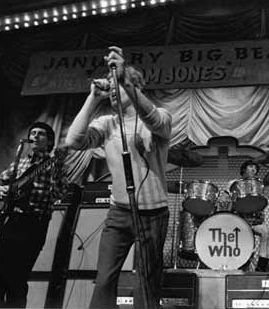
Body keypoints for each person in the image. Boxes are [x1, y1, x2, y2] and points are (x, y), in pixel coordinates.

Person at [65, 46, 172, 309]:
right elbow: (74, 140)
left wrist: (124, 78)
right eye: (111, 88)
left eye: (119, 87)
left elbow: (155, 121)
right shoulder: (106, 123)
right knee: (104, 280)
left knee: (146, 282)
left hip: (152, 213)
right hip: (118, 212)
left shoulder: (160, 116)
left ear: (134, 87)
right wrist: (92, 98)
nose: (113, 92)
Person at [0, 122, 68, 308]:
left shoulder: (53, 164)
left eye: (40, 134)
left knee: (17, 278)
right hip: (12, 221)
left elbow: (60, 193)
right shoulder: (21, 161)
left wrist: (58, 164)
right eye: (32, 133)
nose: (35, 136)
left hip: (34, 224)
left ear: (49, 141)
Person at [229, 160, 269, 272]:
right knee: (247, 248)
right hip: (240, 221)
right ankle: (241, 265)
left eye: (255, 168)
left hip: (256, 221)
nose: (254, 170)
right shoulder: (234, 183)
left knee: (266, 233)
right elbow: (231, 203)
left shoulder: (258, 184)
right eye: (251, 167)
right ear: (244, 169)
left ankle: (262, 266)